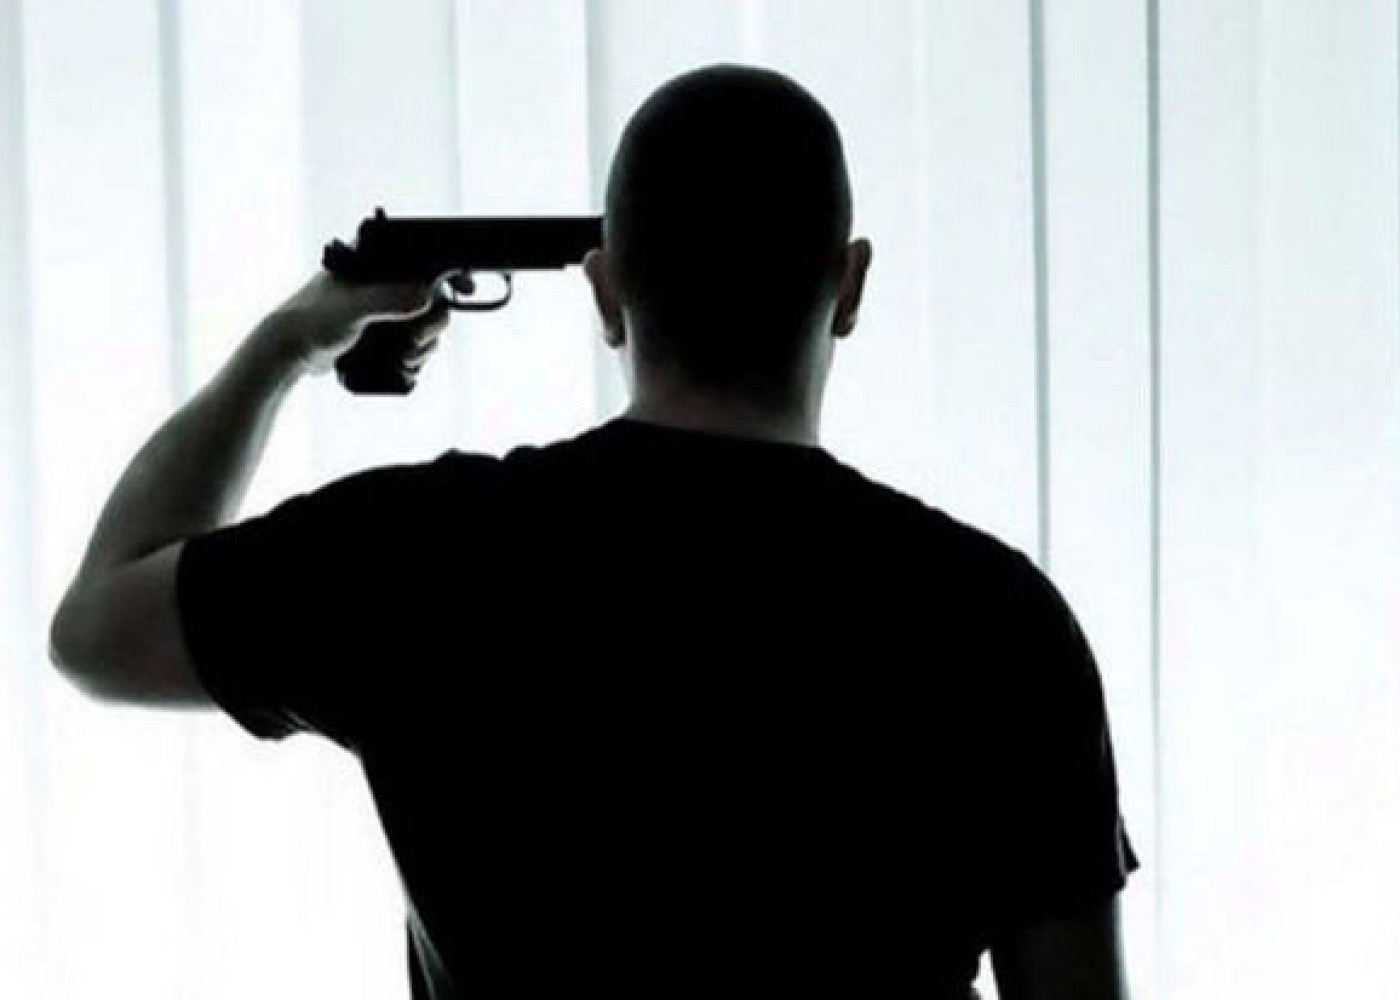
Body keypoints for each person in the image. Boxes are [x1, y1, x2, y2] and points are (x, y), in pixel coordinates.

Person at [47, 63, 1137, 999]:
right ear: (847, 286)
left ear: (607, 292)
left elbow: (96, 629)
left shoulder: (422, 557)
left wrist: (284, 346)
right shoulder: (1001, 622)